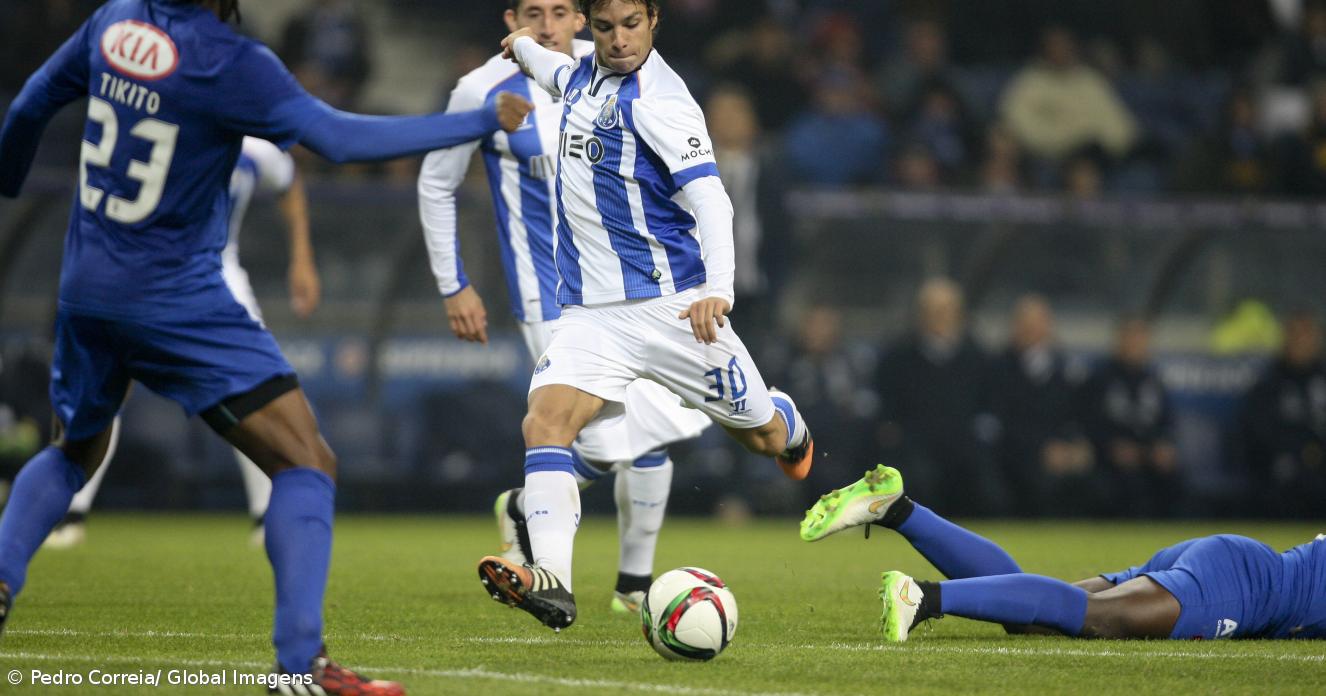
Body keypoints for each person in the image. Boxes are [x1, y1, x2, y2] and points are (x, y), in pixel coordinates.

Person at [0, 1, 532, 693]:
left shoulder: (113, 21)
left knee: (74, 449)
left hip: (85, 286)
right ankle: (299, 667)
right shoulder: (231, 61)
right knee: (306, 461)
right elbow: (337, 140)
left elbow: (29, 107)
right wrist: (480, 120)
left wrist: (9, 180)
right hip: (176, 300)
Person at [481, 0, 814, 631]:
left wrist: (720, 288)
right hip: (592, 316)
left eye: (631, 25)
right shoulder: (581, 74)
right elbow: (554, 70)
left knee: (761, 437)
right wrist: (521, 45)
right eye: (604, 27)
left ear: (654, 20)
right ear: (590, 26)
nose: (618, 40)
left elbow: (711, 199)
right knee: (545, 423)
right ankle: (552, 579)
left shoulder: (663, 102)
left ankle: (787, 419)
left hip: (675, 308)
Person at [416, 0, 710, 615]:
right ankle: (584, 566)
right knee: (612, 426)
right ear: (509, 18)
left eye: (558, 12)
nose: (545, 25)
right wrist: (453, 283)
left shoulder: (616, 76)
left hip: (632, 291)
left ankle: (623, 579)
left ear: (580, 20)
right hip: (548, 296)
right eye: (532, 12)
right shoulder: (480, 87)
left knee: (644, 431)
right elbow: (436, 181)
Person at [44, 136, 321, 550]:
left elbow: (289, 181)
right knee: (104, 388)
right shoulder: (167, 123)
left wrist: (302, 257)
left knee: (258, 393)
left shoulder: (256, 148)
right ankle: (69, 511)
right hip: (147, 277)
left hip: (219, 278)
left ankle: (268, 516)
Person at [801, 464, 1326, 642]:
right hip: (1249, 589)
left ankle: (895, 508)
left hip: (1237, 564)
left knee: (1039, 617)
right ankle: (923, 599)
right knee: (1101, 619)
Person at [1076, 316, 1179, 517]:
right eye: (1131, 338)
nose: (1136, 344)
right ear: (1119, 341)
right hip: (1109, 459)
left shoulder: (1153, 381)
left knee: (1175, 479)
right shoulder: (1099, 379)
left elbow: (1166, 422)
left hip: (1149, 455)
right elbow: (1089, 423)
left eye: (1141, 339)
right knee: (1124, 483)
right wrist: (1111, 447)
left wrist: (1164, 444)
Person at [1240, 310, 1326, 518]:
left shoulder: (1321, 379)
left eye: (1307, 335)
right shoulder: (1269, 384)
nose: (1302, 342)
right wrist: (1299, 451)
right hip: (1285, 464)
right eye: (1296, 335)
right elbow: (1258, 431)